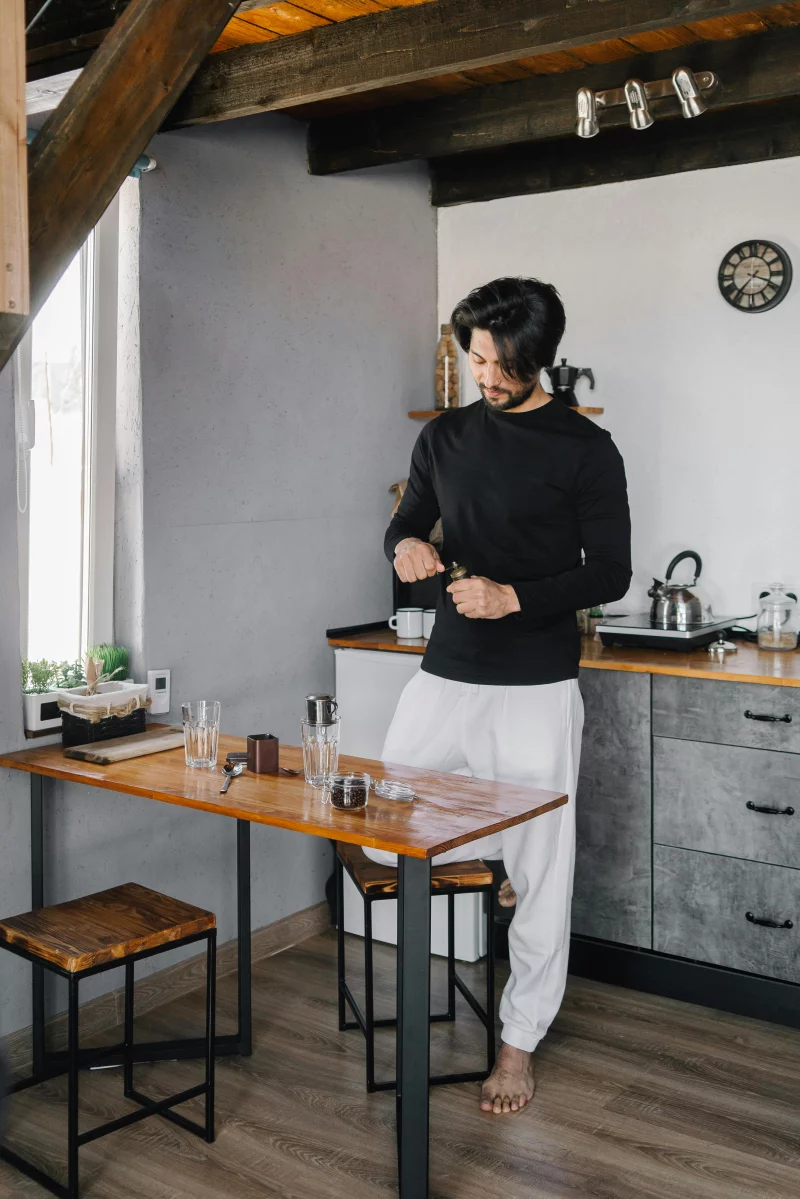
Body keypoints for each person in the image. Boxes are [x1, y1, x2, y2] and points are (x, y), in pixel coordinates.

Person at [366, 277, 631, 1115]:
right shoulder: (445, 437)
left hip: (538, 682)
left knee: (546, 873)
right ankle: (503, 862)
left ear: (537, 358)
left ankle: (518, 1043)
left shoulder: (587, 449)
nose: (482, 372)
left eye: (497, 361)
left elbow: (612, 572)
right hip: (448, 670)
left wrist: (515, 596)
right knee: (382, 828)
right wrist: (406, 545)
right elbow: (406, 521)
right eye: (472, 355)